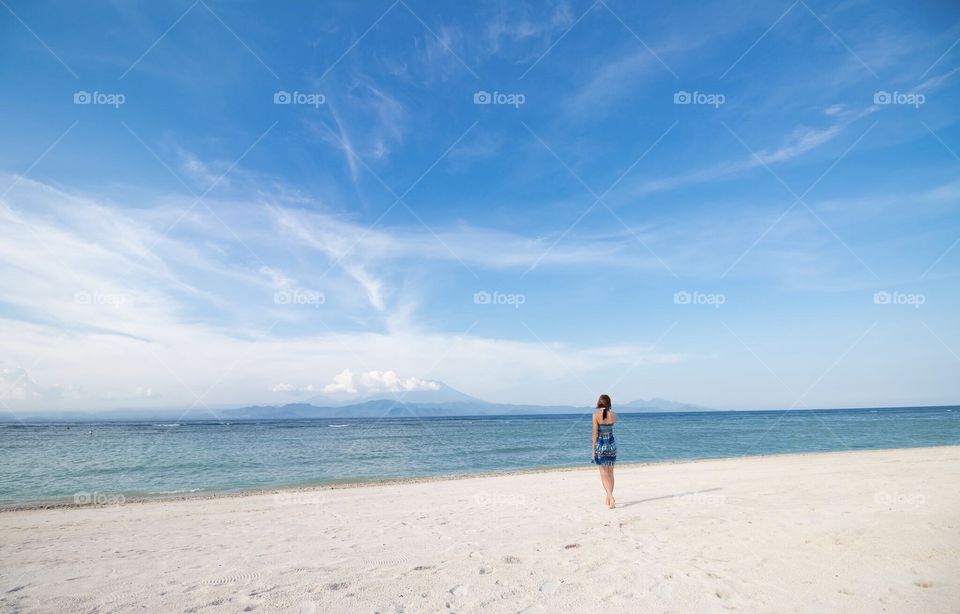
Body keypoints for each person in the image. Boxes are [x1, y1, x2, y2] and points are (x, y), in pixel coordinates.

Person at [591, 394, 617, 508]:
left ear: (599, 403)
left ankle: (610, 496)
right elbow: (609, 429)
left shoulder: (595, 415)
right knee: (610, 473)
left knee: (603, 473)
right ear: (609, 403)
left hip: (601, 445)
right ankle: (609, 497)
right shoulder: (613, 415)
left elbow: (595, 434)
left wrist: (593, 450)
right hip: (611, 445)